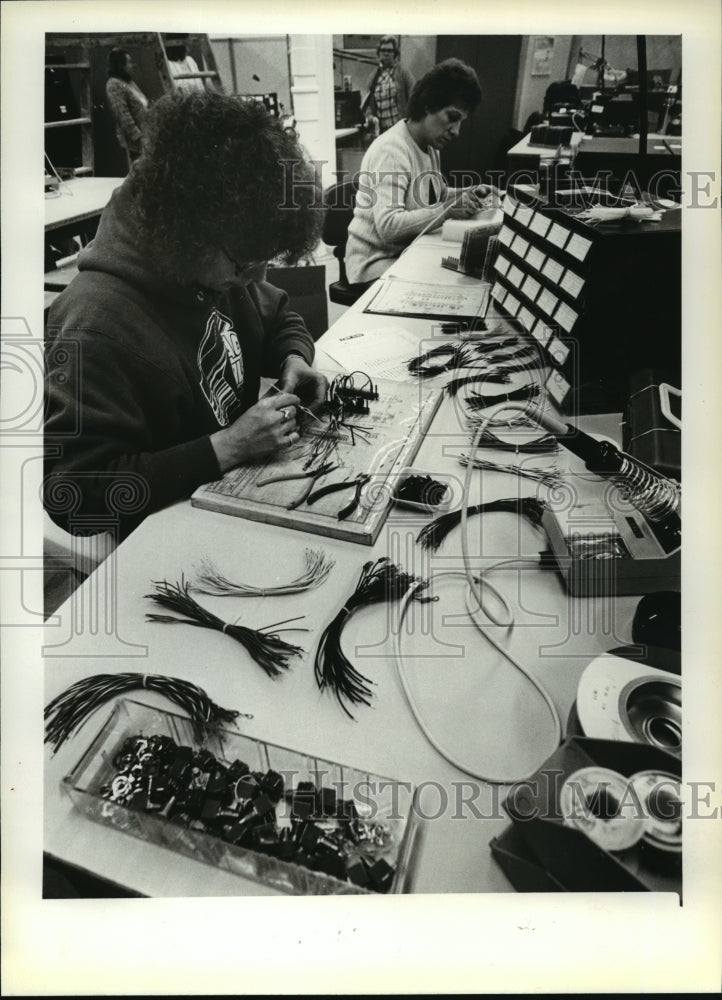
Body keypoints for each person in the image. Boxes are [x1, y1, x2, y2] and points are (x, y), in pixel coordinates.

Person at [44, 92, 327, 540]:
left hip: (225, 501)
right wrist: (225, 448)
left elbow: (279, 317)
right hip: (159, 540)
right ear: (188, 230)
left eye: (265, 260)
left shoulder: (216, 270)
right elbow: (76, 497)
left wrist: (294, 358)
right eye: (244, 262)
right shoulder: (95, 322)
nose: (256, 275)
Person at [346, 58, 496, 286]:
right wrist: (447, 210)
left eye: (461, 122)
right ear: (428, 105)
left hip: (406, 253)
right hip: (375, 265)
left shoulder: (430, 146)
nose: (456, 131)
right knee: (455, 285)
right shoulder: (392, 150)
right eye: (452, 118)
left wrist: (469, 192)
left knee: (470, 277)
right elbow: (389, 226)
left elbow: (438, 194)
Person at [363, 36, 414, 135]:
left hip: (400, 129)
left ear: (395, 53)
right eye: (383, 50)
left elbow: (414, 96)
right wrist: (370, 118)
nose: (386, 53)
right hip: (381, 131)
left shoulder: (403, 73)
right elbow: (368, 104)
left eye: (389, 50)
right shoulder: (373, 76)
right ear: (379, 52)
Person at [105, 48, 149, 163]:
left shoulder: (129, 82)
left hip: (146, 134)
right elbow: (122, 114)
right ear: (120, 65)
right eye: (129, 62)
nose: (132, 65)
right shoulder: (114, 84)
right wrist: (138, 137)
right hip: (135, 141)